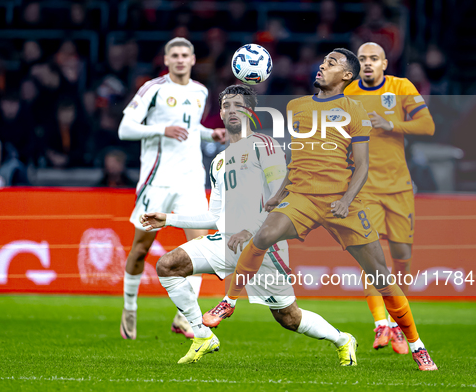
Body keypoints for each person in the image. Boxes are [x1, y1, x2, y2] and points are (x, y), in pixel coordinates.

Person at [204, 48, 438, 371]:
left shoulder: (354, 111)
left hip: (343, 199)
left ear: (346, 76)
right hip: (302, 196)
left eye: (331, 63)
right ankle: (229, 302)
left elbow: (362, 166)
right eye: (323, 61)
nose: (322, 66)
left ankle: (417, 345)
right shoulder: (297, 107)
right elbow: (295, 161)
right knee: (262, 236)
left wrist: (345, 200)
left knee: (381, 276)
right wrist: (279, 194)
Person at [141, 85, 357, 365]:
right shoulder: (218, 162)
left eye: (239, 105)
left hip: (266, 246)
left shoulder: (264, 146)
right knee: (168, 265)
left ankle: (343, 340)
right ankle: (202, 335)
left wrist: (250, 228)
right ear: (220, 113)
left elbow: (282, 199)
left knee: (289, 318)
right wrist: (169, 219)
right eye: (227, 105)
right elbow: (214, 217)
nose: (232, 110)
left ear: (250, 111)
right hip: (228, 241)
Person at [117, 37, 226, 340]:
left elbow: (190, 129)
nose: (180, 60)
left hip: (191, 178)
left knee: (202, 247)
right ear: (166, 60)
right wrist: (160, 129)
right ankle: (129, 306)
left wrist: (210, 135)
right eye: (174, 55)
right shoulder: (154, 89)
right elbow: (124, 129)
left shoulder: (200, 92)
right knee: (140, 249)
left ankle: (184, 316)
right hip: (157, 180)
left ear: (193, 60)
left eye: (185, 55)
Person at [344, 42, 435, 354]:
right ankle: (381, 324)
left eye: (374, 59)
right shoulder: (349, 93)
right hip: (365, 187)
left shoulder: (401, 86)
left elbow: (427, 125)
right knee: (373, 257)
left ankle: (397, 322)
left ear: (384, 63)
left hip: (398, 187)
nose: (368, 64)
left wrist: (390, 124)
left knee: (400, 256)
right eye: (363, 59)